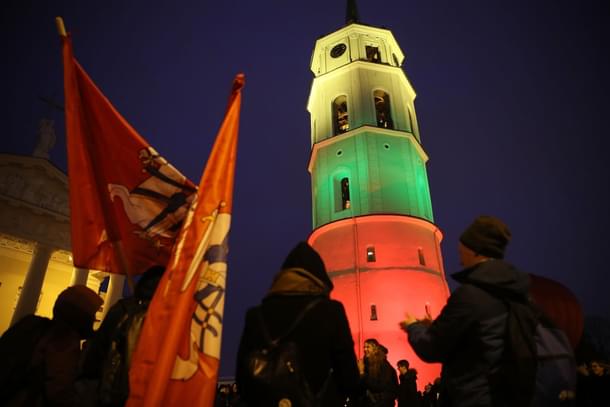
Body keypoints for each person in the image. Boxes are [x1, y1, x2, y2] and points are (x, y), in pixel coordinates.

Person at [399, 215, 530, 406]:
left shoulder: (470, 296)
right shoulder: (518, 292)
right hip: (507, 393)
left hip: (473, 396)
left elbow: (432, 347)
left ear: (475, 250)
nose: (458, 251)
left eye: (463, 245)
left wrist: (414, 326)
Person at [235, 241, 361, 406]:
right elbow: (348, 375)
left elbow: (243, 377)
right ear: (319, 277)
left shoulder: (256, 315)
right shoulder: (331, 311)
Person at [0, 285, 103, 406]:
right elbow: (60, 392)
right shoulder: (64, 341)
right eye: (92, 313)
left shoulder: (32, 326)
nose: (94, 319)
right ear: (80, 315)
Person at [79, 265, 165, 406]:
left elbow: (97, 351)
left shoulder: (124, 309)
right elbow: (100, 347)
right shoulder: (125, 310)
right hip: (122, 388)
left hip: (126, 390)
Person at [358, 338, 398, 406]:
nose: (365, 349)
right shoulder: (366, 364)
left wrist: (362, 373)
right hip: (371, 402)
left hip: (382, 403)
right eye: (364, 347)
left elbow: (379, 386)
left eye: (368, 347)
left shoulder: (383, 365)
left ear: (375, 349)